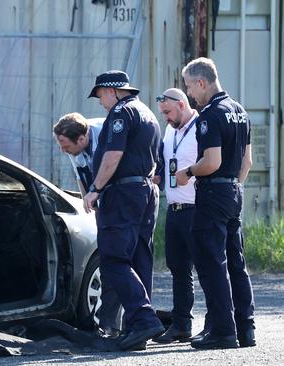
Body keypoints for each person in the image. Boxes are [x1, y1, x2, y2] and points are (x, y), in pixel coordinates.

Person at [176, 57, 256, 349]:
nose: (190, 95)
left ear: (202, 82)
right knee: (236, 261)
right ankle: (246, 329)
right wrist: (232, 187)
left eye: (189, 87)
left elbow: (211, 162)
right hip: (234, 191)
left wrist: (187, 172)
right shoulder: (240, 110)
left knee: (212, 262)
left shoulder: (210, 114)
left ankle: (223, 330)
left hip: (213, 194)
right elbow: (246, 161)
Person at [83, 70, 164, 351]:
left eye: (100, 95)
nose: (100, 102)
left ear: (112, 91)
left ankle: (142, 319)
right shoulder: (148, 114)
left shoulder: (120, 112)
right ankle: (136, 330)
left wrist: (95, 188)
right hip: (145, 192)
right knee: (140, 259)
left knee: (115, 259)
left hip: (123, 193)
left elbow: (113, 155)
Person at [53, 112, 123, 338]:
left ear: (81, 139)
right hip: (103, 201)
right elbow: (80, 173)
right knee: (109, 262)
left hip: (125, 199)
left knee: (120, 262)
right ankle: (110, 324)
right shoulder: (75, 146)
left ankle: (126, 323)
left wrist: (97, 194)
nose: (62, 150)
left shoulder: (105, 135)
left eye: (64, 144)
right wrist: (88, 203)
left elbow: (112, 167)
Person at [152, 88, 199, 343]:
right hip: (174, 209)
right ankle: (182, 324)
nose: (166, 118)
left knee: (208, 268)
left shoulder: (201, 127)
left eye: (168, 112)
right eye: (163, 114)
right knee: (178, 269)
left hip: (196, 209)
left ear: (181, 105)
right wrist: (158, 177)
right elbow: (165, 163)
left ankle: (219, 323)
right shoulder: (170, 130)